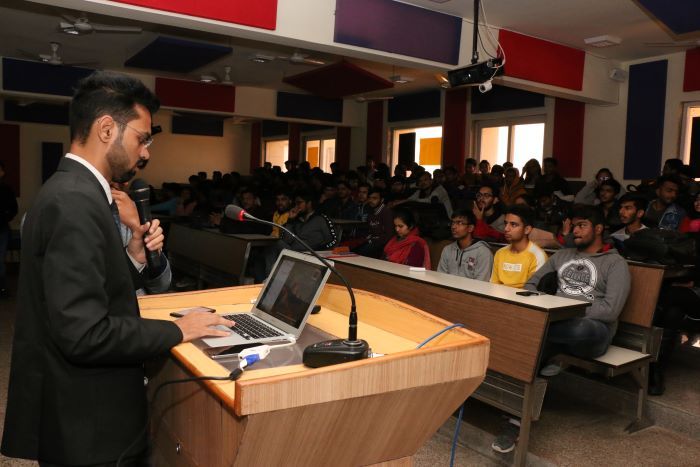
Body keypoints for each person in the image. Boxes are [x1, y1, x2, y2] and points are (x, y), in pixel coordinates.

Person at [1, 71, 234, 465]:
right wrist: (178, 329)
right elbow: (85, 333)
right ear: (106, 129)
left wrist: (136, 258)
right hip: (89, 423)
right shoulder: (75, 202)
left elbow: (87, 291)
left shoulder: (72, 190)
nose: (146, 152)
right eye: (142, 138)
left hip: (78, 410)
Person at [111, 183, 172, 295]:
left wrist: (140, 227)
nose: (126, 183)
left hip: (139, 306)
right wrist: (133, 259)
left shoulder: (129, 210)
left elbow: (161, 285)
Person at [490, 205, 547, 288]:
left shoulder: (537, 256)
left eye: (513, 225)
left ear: (527, 229)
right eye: (506, 223)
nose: (506, 229)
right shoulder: (500, 253)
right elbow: (493, 285)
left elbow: (533, 292)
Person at [437, 209, 493, 281]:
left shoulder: (483, 253)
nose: (453, 227)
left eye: (459, 223)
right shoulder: (447, 250)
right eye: (453, 223)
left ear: (470, 228)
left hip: (471, 291)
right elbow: (440, 277)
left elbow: (481, 283)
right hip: (446, 291)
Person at [352, 188, 394, 259]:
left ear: (382, 200)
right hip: (372, 240)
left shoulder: (386, 212)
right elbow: (370, 230)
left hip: (383, 243)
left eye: (374, 198)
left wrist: (372, 240)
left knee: (362, 252)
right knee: (352, 249)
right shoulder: (370, 210)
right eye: (370, 198)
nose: (371, 200)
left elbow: (389, 235)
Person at [0, 161, 18, 297]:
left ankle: (2, 288)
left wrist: (6, 216)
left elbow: (13, 209)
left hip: (2, 228)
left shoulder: (7, 190)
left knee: (0, 258)